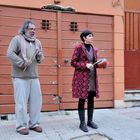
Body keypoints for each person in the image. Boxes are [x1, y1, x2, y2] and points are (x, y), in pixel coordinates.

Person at [7, 20, 44, 135]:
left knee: (36, 102)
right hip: (20, 77)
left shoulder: (37, 42)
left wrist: (39, 56)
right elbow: (10, 53)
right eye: (30, 29)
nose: (33, 31)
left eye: (34, 29)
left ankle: (34, 124)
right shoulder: (17, 39)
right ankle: (21, 126)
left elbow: (41, 58)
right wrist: (22, 62)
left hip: (34, 76)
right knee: (21, 103)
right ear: (24, 29)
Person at [71, 30, 108, 132]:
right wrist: (85, 65)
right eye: (90, 36)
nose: (92, 37)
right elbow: (73, 62)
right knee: (82, 99)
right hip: (82, 78)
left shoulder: (94, 48)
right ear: (84, 38)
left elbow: (94, 63)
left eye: (92, 36)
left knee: (91, 98)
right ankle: (82, 123)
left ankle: (90, 121)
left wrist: (101, 65)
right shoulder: (78, 48)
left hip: (92, 77)